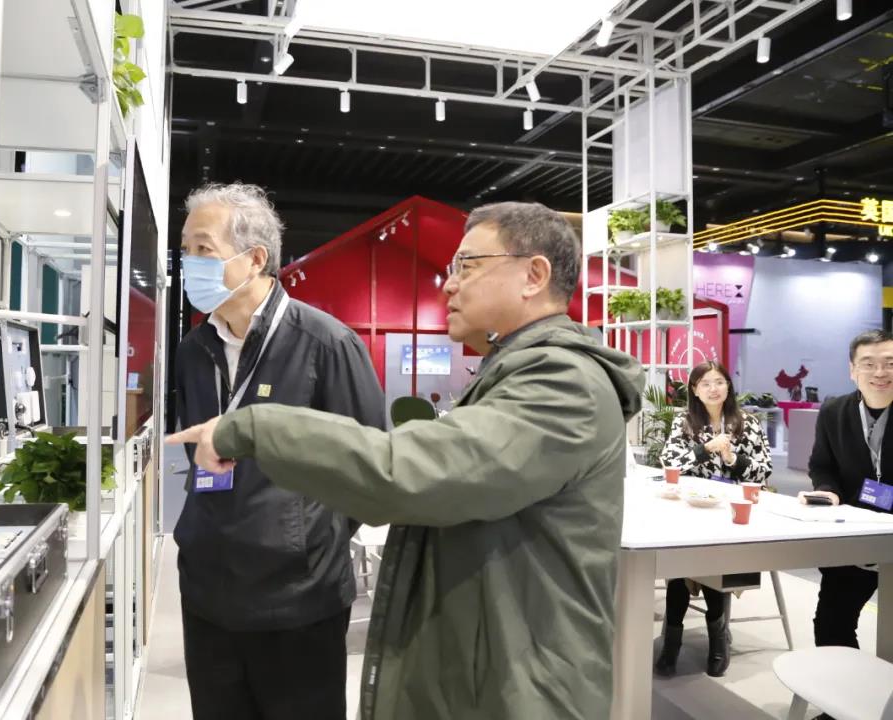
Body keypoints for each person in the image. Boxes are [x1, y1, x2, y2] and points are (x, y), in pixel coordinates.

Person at [169, 201, 645, 720]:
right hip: (483, 665)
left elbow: (401, 470)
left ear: (534, 275)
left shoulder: (564, 384)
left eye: (467, 266)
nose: (449, 284)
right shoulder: (511, 374)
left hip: (519, 681)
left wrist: (252, 430)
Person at [172, 183, 385, 720]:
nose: (189, 262)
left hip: (298, 599)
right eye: (186, 249)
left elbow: (372, 464)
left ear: (255, 258)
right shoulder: (193, 350)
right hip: (207, 591)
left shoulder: (326, 344)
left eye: (204, 249)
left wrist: (305, 533)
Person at [656, 361, 772, 677]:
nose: (713, 388)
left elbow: (763, 471)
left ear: (728, 386)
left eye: (719, 382)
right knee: (680, 565)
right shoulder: (684, 422)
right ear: (694, 390)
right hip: (691, 509)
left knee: (713, 562)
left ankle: (717, 639)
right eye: (705, 383)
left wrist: (732, 458)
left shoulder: (747, 423)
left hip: (732, 512)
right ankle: (673, 641)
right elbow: (670, 462)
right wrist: (706, 449)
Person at [804, 329, 893, 650]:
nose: (880, 372)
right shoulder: (834, 412)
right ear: (852, 370)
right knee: (831, 625)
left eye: (890, 363)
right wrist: (827, 490)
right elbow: (821, 465)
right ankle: (846, 683)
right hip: (856, 534)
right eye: (868, 364)